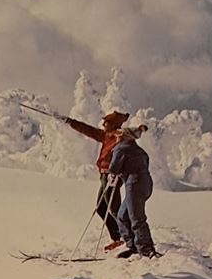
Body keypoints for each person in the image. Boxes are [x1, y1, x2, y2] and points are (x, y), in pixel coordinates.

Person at [61, 110, 145, 249]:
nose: (103, 124)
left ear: (113, 124)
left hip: (112, 176)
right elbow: (88, 130)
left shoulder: (118, 135)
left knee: (114, 209)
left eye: (106, 122)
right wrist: (70, 122)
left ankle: (129, 238)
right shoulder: (105, 135)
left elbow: (132, 132)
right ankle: (119, 237)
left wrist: (140, 128)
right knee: (101, 208)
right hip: (104, 176)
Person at [106, 130, 158, 259]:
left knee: (136, 217)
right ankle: (133, 246)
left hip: (134, 184)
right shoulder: (141, 151)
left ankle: (145, 249)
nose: (116, 137)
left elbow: (114, 168)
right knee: (122, 215)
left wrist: (112, 173)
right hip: (146, 183)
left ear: (122, 137)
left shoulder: (120, 148)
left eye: (118, 135)